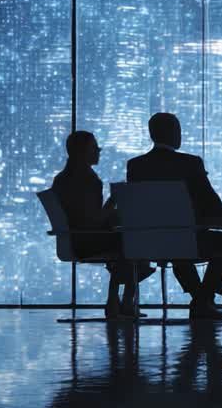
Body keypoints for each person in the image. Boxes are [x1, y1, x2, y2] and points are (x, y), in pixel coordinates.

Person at [126, 112, 222, 320]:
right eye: (178, 130)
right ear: (173, 133)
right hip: (186, 239)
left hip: (147, 241)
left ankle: (200, 301)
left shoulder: (135, 165)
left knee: (178, 247)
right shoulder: (190, 163)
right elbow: (210, 201)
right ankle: (203, 300)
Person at [51, 131, 151, 318]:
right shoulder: (87, 180)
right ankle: (124, 301)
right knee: (134, 243)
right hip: (87, 241)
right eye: (94, 148)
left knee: (128, 242)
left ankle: (116, 301)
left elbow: (87, 217)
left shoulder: (62, 178)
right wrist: (115, 200)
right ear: (83, 152)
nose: (99, 151)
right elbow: (94, 220)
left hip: (76, 240)